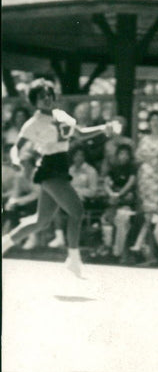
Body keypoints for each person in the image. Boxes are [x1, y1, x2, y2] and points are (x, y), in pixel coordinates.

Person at [1, 79, 120, 277]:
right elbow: (16, 147)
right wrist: (15, 160)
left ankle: (5, 242)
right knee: (77, 211)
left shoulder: (61, 115)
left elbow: (80, 134)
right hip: (49, 168)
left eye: (49, 95)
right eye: (41, 97)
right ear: (35, 101)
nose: (47, 99)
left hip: (61, 167)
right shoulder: (33, 123)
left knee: (42, 221)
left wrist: (102, 128)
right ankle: (73, 259)